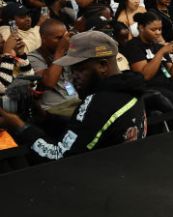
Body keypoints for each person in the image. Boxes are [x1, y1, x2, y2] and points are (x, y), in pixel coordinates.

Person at [0, 31, 147, 162]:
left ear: (102, 65)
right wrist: (46, 118)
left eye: (80, 70)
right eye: (71, 71)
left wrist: (19, 125)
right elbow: (87, 129)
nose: (73, 77)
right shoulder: (130, 89)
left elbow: (59, 155)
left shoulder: (99, 102)